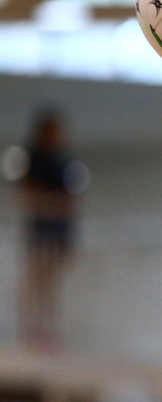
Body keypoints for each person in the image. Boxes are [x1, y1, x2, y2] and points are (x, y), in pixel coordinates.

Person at [15, 111, 89, 349]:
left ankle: (48, 331)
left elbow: (73, 195)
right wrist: (55, 203)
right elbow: (30, 194)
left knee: (53, 285)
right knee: (38, 285)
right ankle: (33, 331)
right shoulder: (34, 159)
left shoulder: (63, 159)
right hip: (41, 233)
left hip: (60, 232)